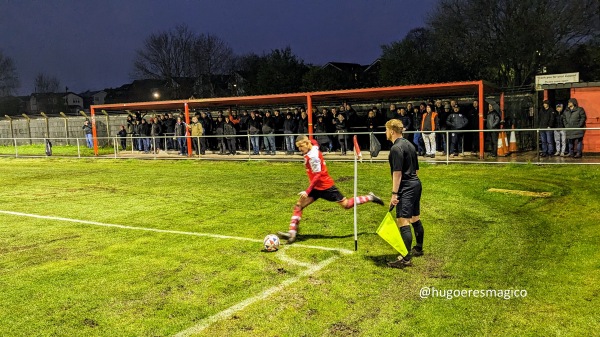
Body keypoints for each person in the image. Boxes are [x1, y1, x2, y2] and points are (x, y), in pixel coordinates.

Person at [277, 135, 384, 243]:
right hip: (316, 187)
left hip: (326, 187)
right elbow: (315, 142)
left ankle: (370, 197)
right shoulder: (313, 146)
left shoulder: (313, 156)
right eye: (298, 147)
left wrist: (307, 191)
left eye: (301, 146)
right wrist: (311, 140)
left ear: (306, 143)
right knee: (299, 205)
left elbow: (318, 175)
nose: (299, 149)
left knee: (346, 205)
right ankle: (292, 234)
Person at [385, 119, 424, 269]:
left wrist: (395, 194)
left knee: (403, 220)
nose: (386, 132)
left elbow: (397, 173)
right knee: (415, 218)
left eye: (387, 129)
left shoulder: (396, 148)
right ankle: (418, 248)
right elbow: (416, 169)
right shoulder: (410, 145)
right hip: (416, 184)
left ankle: (405, 257)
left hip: (406, 187)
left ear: (392, 131)